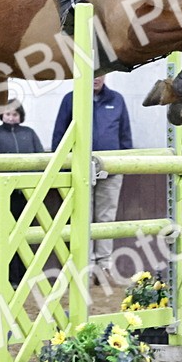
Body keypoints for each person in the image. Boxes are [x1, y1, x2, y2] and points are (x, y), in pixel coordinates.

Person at [51, 75, 132, 280]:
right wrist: (62, 167)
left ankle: (104, 265)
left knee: (106, 217)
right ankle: (84, 265)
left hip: (110, 168)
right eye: (93, 73)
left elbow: (125, 134)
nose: (96, 78)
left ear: (107, 75)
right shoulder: (71, 99)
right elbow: (60, 134)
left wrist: (124, 162)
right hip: (80, 168)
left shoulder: (117, 100)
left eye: (101, 74)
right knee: (82, 216)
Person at [0, 99, 45, 288]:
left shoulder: (29, 133)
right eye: (8, 114)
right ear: (2, 115)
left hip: (27, 193)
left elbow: (40, 158)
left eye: (15, 114)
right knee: (5, 235)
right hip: (4, 193)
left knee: (24, 235)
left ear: (20, 116)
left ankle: (23, 277)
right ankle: (7, 277)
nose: (11, 117)